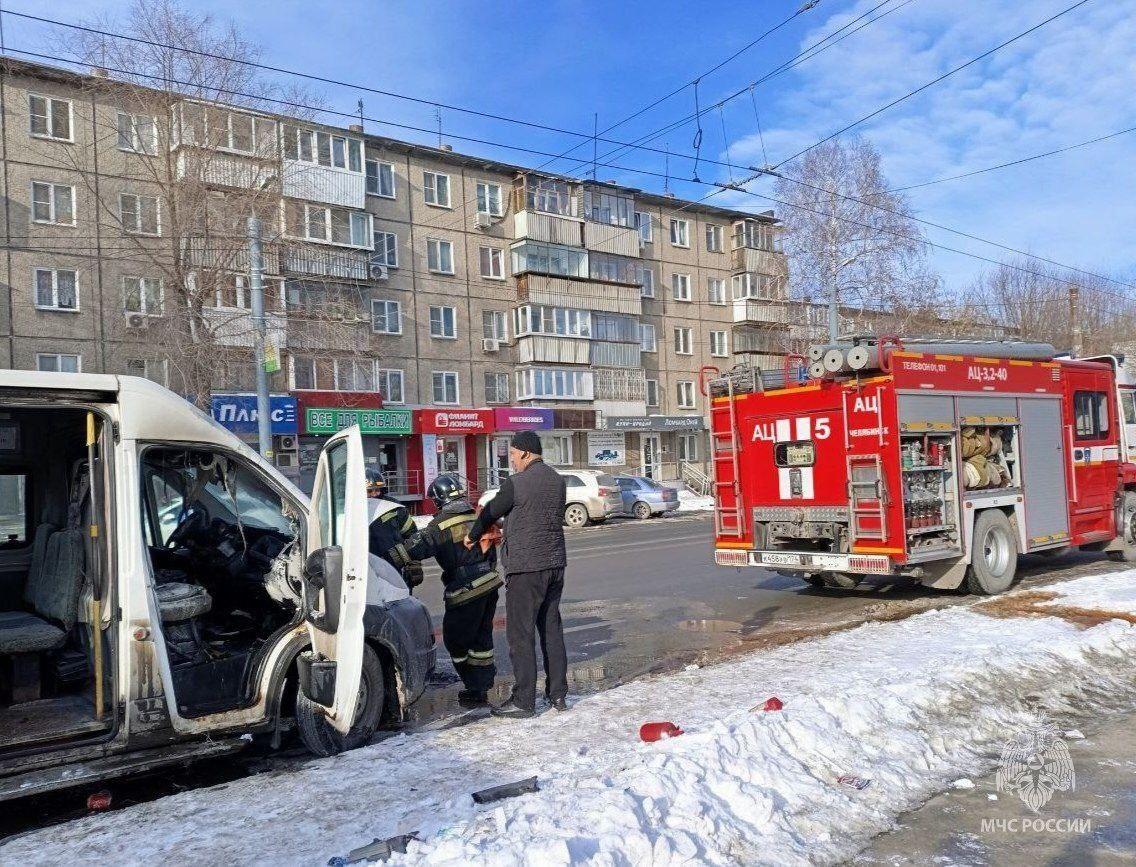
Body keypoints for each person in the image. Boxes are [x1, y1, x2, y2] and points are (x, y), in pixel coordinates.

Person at [466, 430, 568, 719]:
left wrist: (473, 536)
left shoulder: (516, 483)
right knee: (551, 630)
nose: (511, 460)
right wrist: (509, 528)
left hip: (526, 568)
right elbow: (540, 515)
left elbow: (488, 512)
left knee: (520, 635)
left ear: (524, 452)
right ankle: (558, 694)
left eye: (511, 454)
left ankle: (524, 701)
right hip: (555, 565)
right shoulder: (557, 481)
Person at [406, 474, 502, 708]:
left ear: (439, 501)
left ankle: (473, 685)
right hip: (489, 584)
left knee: (456, 640)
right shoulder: (476, 517)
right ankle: (481, 687)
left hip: (465, 591)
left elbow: (415, 549)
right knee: (482, 638)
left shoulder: (439, 525)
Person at [366, 468, 423, 592]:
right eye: (370, 491)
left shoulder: (395, 507)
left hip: (395, 568)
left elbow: (412, 535)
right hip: (366, 571)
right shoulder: (352, 509)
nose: (375, 494)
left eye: (378, 490)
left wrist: (414, 565)